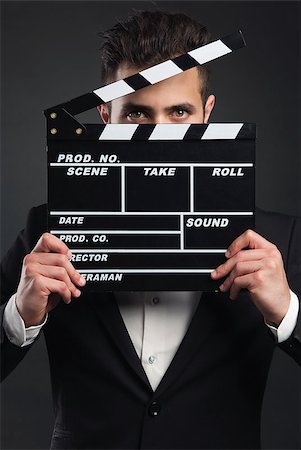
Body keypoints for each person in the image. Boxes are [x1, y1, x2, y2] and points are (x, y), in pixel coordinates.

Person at [1, 10, 300, 450]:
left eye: (179, 111)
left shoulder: (274, 239)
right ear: (105, 116)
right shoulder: (46, 231)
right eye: (138, 115)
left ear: (207, 114)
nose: (160, 134)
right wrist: (20, 316)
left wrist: (287, 312)